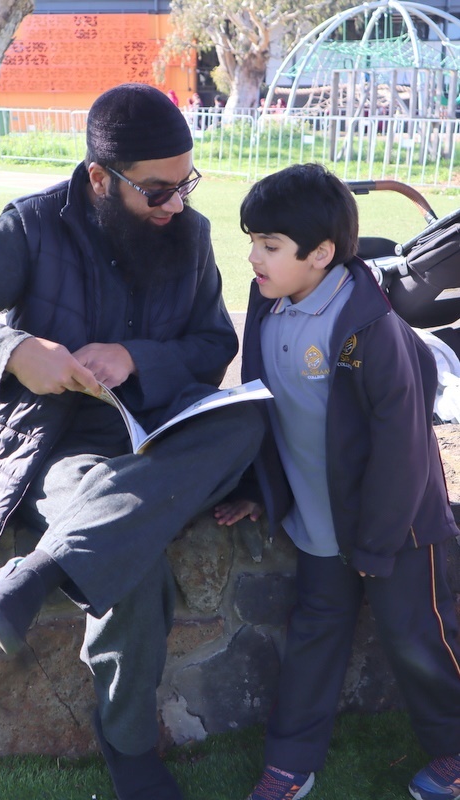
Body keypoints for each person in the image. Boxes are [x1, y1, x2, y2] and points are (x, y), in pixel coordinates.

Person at [0, 83, 263, 800]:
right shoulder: (32, 225)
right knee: (129, 560)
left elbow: (212, 344)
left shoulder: (192, 234)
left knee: (246, 420)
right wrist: (16, 351)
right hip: (52, 445)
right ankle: (131, 748)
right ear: (99, 179)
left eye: (185, 183)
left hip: (157, 436)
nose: (176, 204)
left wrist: (136, 355)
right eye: (157, 190)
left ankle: (46, 565)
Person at [214, 163, 460, 800]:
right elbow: (262, 406)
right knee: (315, 637)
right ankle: (291, 762)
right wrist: (258, 491)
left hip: (397, 530)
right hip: (318, 525)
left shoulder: (371, 328)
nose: (253, 258)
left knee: (417, 640)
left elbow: (402, 448)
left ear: (321, 253)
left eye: (269, 246)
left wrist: (378, 544)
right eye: (252, 242)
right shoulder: (266, 307)